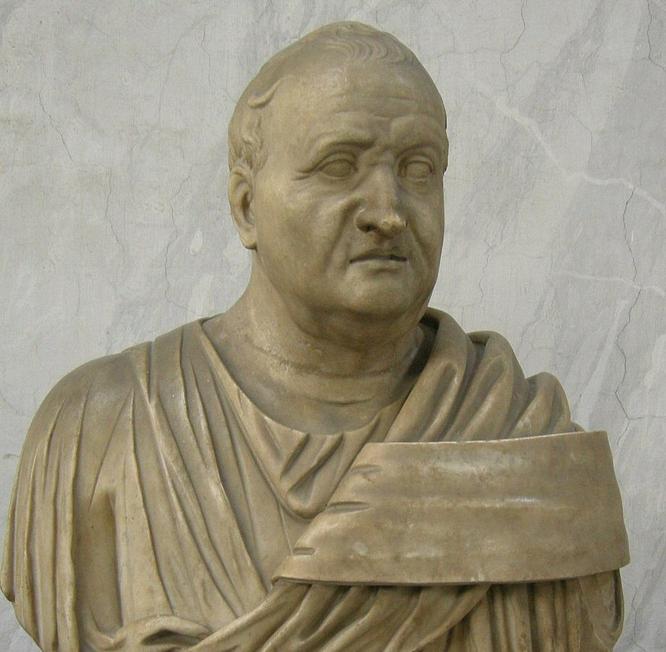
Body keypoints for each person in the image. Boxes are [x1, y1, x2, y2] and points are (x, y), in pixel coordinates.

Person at [1, 22, 628, 651]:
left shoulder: (527, 454)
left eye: (418, 169)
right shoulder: (96, 432)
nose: (388, 212)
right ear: (246, 207)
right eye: (337, 166)